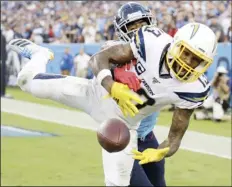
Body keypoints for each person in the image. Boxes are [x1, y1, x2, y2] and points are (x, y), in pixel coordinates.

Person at [10, 21, 217, 186]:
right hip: (93, 93)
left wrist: (164, 150)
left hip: (123, 126)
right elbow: (99, 59)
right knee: (27, 82)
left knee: (116, 183)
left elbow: (175, 137)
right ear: (175, 43)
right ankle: (40, 55)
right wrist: (112, 86)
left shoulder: (194, 88)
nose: (187, 61)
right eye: (185, 52)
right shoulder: (151, 42)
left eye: (195, 59)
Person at [103, 2, 165, 186]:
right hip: (123, 139)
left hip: (148, 136)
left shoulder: (160, 51)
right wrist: (117, 69)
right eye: (132, 26)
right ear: (123, 30)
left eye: (142, 24)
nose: (139, 30)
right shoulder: (116, 51)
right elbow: (103, 57)